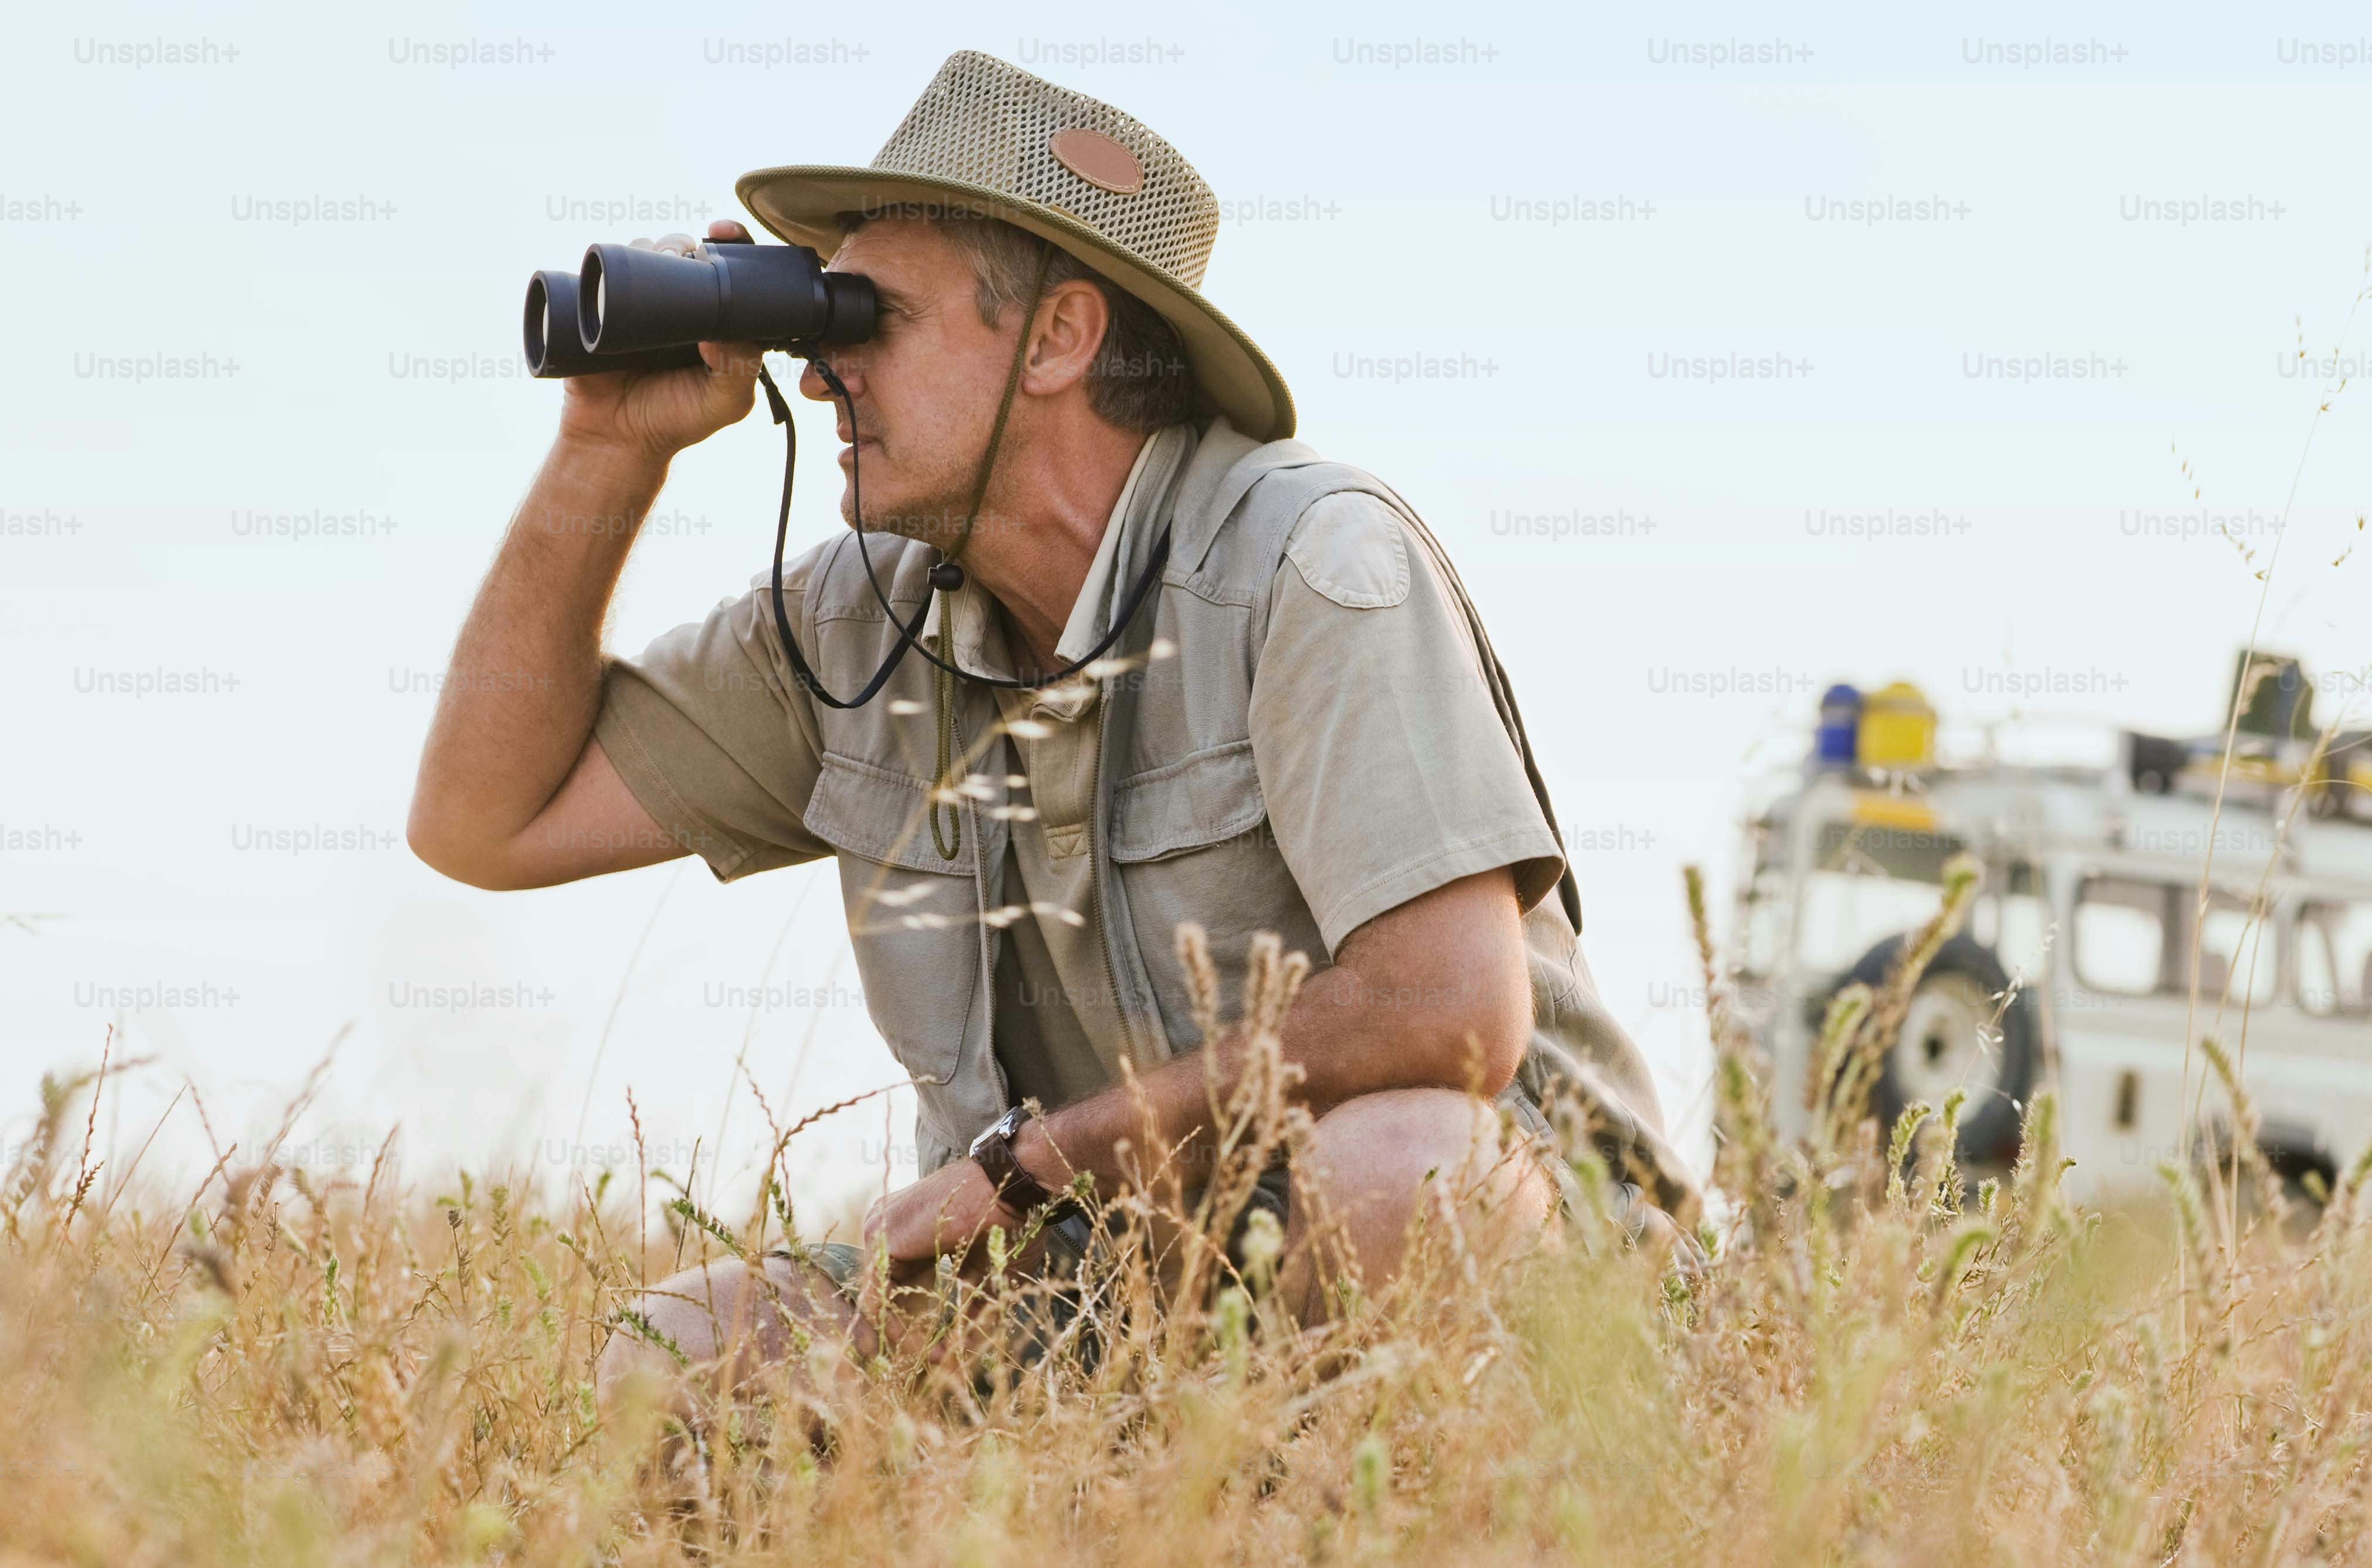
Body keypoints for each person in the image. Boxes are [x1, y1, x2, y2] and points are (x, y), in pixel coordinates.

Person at [405, 51, 1686, 1395]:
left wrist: (1032, 1164)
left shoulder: (1313, 563)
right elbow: (483, 822)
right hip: (1116, 1293)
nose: (828, 373)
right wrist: (609, 449)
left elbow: (1449, 1016)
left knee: (1396, 1173)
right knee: (681, 1349)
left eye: (868, 317)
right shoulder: (855, 620)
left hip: (1531, 1271)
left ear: (1060, 338)